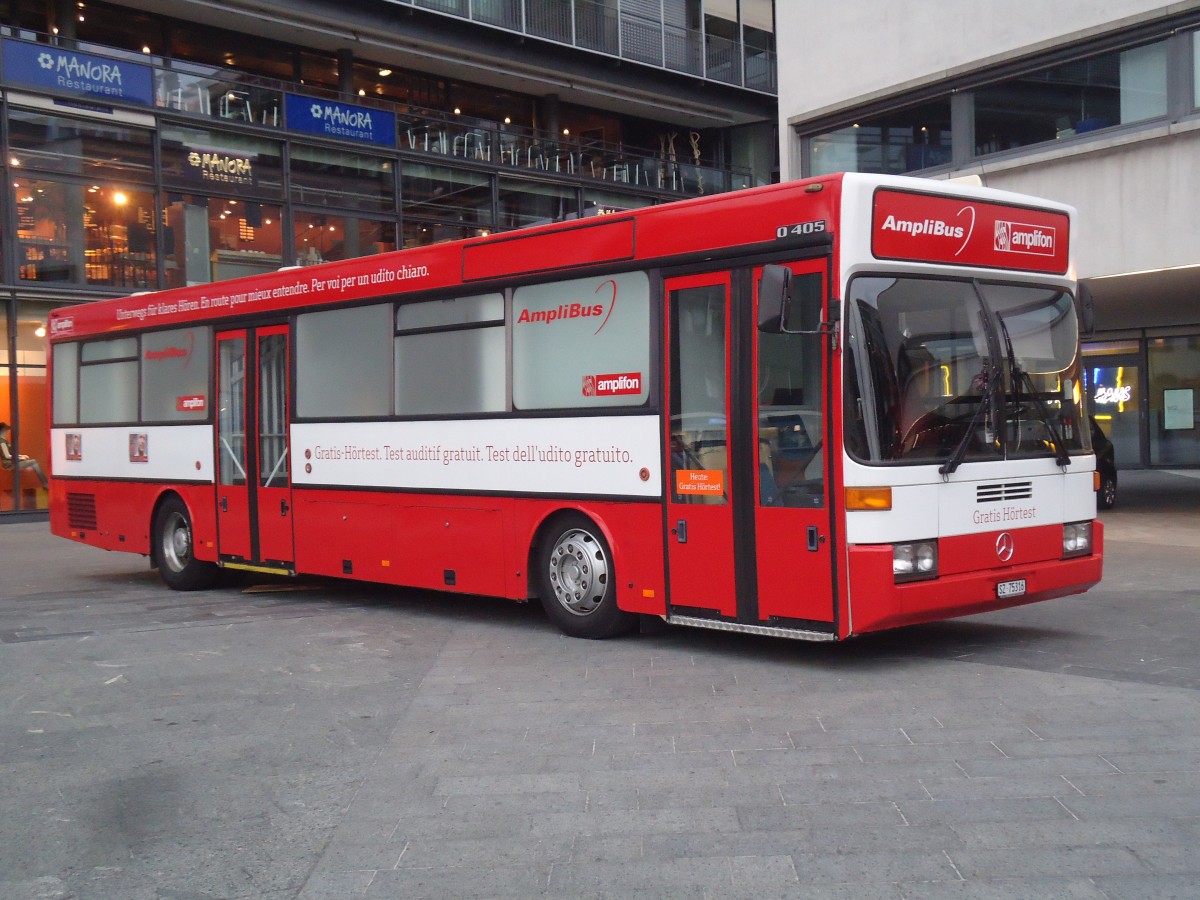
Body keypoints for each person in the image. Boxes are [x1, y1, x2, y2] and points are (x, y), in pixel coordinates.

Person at [0, 421, 49, 489]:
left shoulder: (4, 441)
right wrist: (21, 458)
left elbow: (11, 454)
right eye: (6, 430)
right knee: (33, 462)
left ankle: (45, 483)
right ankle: (45, 484)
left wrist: (22, 456)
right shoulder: (2, 442)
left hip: (12, 462)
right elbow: (7, 456)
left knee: (31, 463)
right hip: (9, 464)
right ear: (2, 430)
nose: (7, 431)